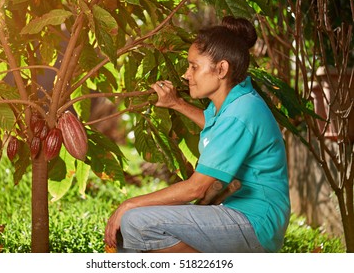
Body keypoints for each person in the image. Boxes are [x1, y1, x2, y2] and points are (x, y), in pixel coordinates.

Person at [104, 16, 290, 253]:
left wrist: (128, 204)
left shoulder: (240, 112)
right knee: (131, 229)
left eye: (194, 66)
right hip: (243, 212)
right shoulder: (235, 99)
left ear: (221, 69)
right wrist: (175, 103)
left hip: (255, 222)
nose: (186, 74)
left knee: (136, 222)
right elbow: (214, 124)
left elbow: (197, 189)